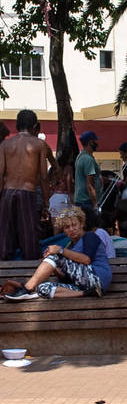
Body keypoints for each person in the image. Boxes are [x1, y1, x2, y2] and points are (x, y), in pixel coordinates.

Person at [5, 207, 111, 301]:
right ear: (63, 230)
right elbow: (67, 279)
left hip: (97, 278)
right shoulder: (70, 247)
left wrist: (59, 251)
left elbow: (86, 260)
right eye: (67, 227)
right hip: (86, 286)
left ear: (82, 224)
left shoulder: (90, 236)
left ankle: (26, 289)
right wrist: (53, 268)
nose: (71, 229)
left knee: (55, 255)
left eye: (74, 225)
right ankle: (86, 293)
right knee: (43, 288)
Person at [0, 109, 50, 260]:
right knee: (29, 238)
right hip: (27, 193)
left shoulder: (5, 144)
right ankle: (31, 279)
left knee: (5, 239)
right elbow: (43, 176)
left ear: (17, 125)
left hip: (7, 193)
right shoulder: (39, 144)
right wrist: (47, 203)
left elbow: (0, 175)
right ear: (35, 126)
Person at [74, 131, 103, 220]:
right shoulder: (88, 159)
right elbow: (89, 184)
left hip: (81, 199)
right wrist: (95, 204)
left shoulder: (81, 156)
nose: (97, 144)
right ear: (91, 142)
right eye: (95, 141)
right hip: (87, 201)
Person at [48, 153, 74, 220]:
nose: (72, 159)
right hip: (64, 198)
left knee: (55, 227)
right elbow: (69, 186)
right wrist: (73, 202)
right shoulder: (68, 168)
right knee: (66, 224)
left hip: (53, 198)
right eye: (71, 157)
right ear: (68, 158)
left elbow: (50, 184)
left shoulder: (54, 169)